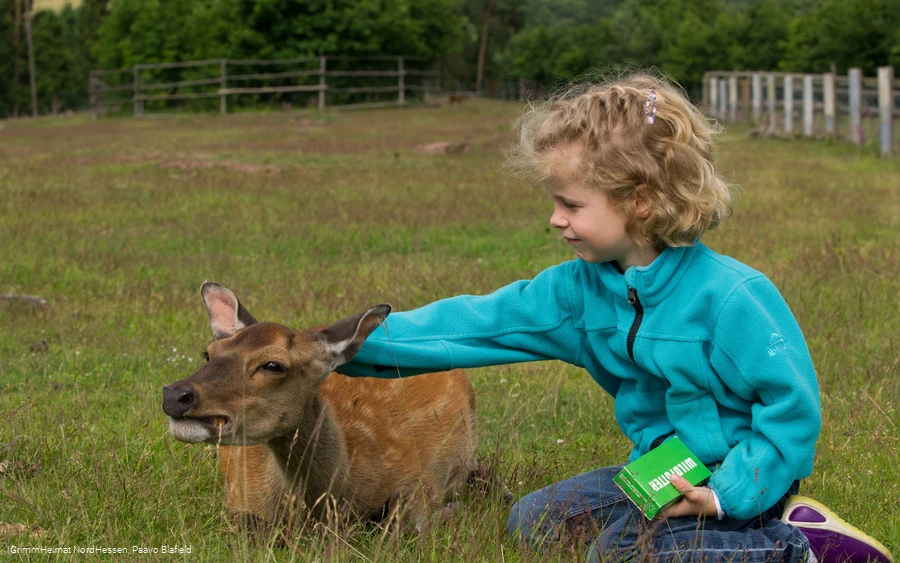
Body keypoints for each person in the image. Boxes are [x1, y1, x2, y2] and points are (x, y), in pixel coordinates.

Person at [336, 71, 894, 563]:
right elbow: (474, 325)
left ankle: (801, 547)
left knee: (623, 554)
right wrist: (330, 348)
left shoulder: (731, 298)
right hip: (666, 470)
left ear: (640, 201)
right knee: (535, 523)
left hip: (742, 476)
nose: (555, 219)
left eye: (572, 204)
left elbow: (791, 408)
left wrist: (730, 493)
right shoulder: (578, 292)